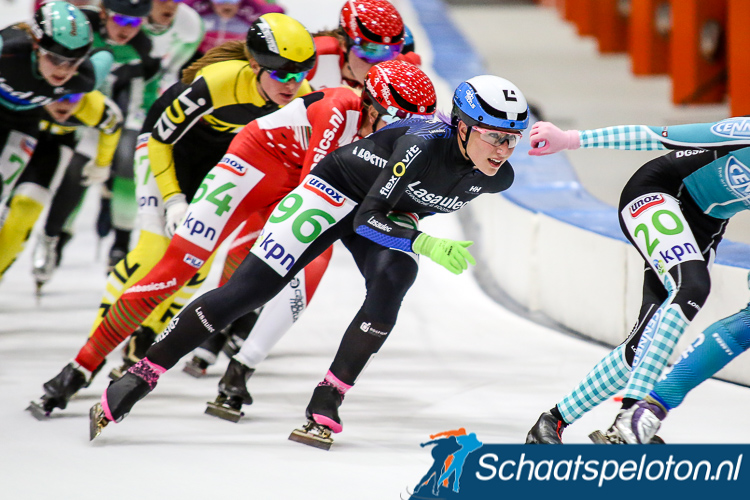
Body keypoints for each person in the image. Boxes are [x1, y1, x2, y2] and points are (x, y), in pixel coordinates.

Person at [89, 74, 529, 450]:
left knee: (396, 277)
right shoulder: (420, 146)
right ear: (461, 127)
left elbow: (390, 212)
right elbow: (367, 217)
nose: (502, 150)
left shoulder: (496, 178)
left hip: (385, 207)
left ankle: (328, 397)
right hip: (336, 191)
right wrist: (424, 243)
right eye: (493, 135)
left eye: (512, 139)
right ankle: (141, 375)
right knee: (251, 291)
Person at [28, 13, 316, 418]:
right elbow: (161, 139)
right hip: (165, 154)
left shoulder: (301, 94)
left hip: (219, 164)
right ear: (255, 66)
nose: (292, 84)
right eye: (282, 74)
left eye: (302, 73)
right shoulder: (218, 83)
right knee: (151, 259)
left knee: (195, 268)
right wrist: (174, 198)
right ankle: (81, 368)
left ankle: (142, 333)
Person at [194, 60, 434, 422]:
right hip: (285, 177)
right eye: (400, 124)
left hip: (356, 199)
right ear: (372, 107)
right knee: (305, 266)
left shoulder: (407, 120)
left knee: (383, 270)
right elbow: (315, 185)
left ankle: (239, 363)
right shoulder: (341, 108)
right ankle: (227, 347)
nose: (409, 137)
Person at [182, 0, 412, 376]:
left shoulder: (399, 75)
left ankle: (243, 364)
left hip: (347, 178)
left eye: (392, 49)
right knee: (256, 244)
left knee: (312, 261)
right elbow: (265, 103)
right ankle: (219, 328)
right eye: (370, 49)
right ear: (344, 40)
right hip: (287, 160)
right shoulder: (315, 58)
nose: (381, 60)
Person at [524, 118, 750, 444]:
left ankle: (551, 422)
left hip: (704, 227)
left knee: (640, 348)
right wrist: (571, 139)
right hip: (657, 192)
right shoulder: (744, 133)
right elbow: (655, 136)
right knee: (692, 287)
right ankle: (631, 417)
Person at [29, 0, 205, 289]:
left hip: (117, 107)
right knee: (77, 169)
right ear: (102, 13)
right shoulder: (81, 25)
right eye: (121, 21)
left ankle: (120, 242)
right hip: (79, 98)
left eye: (135, 23)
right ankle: (55, 237)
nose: (127, 31)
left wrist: (140, 128)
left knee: (125, 159)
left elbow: (152, 89)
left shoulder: (146, 45)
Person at [0, 90, 123, 285]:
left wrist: (102, 163)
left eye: (73, 97)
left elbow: (113, 126)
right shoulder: (18, 81)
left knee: (27, 208)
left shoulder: (95, 106)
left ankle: (50, 236)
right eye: (58, 96)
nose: (64, 105)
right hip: (11, 134)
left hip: (52, 149)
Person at [0, 2, 112, 206]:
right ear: (36, 45)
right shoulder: (7, 52)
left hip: (25, 122)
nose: (64, 70)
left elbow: (106, 55)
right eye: (55, 59)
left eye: (74, 61)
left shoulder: (86, 78)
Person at [306, 0, 405, 91]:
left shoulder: (400, 70)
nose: (379, 67)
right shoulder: (316, 57)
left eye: (388, 53)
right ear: (344, 44)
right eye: (370, 51)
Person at [184, 0, 283, 59]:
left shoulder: (255, 9)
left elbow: (278, 12)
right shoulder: (192, 6)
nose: (227, 3)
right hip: (197, 55)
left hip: (235, 57)